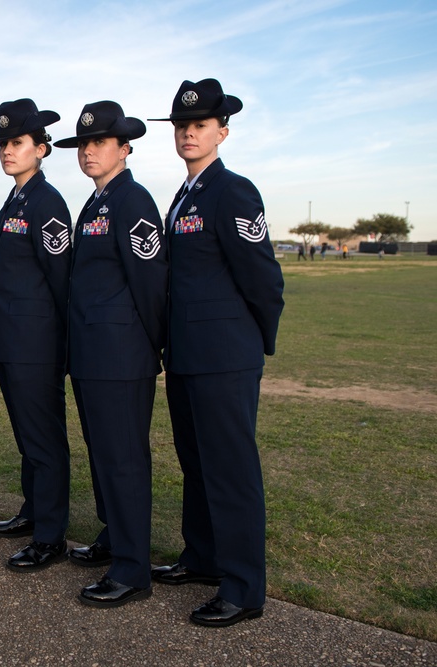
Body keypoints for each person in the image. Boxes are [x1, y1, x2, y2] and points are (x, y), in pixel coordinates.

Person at [148, 78, 284, 627]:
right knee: (197, 464)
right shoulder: (185, 194)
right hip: (186, 354)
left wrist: (254, 341)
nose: (188, 133)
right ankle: (202, 557)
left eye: (199, 125)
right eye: (181, 125)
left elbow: (263, 279)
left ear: (222, 131)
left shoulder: (233, 191)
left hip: (226, 355)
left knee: (230, 470)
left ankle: (244, 588)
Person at [54, 101, 168, 607]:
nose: (88, 151)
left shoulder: (132, 200)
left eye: (99, 142)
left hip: (121, 356)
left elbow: (150, 283)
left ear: (124, 148)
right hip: (93, 354)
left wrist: (145, 347)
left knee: (122, 460)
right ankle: (114, 537)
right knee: (103, 457)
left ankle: (132, 570)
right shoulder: (96, 201)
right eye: (83, 144)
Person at [0, 99, 72, 571]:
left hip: (37, 345)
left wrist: (59, 344)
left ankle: (51, 535)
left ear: (40, 148)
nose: (7, 151)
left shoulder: (46, 201)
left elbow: (60, 280)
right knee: (27, 437)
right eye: (3, 143)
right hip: (13, 343)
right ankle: (34, 511)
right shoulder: (16, 198)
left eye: (16, 143)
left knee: (44, 439)